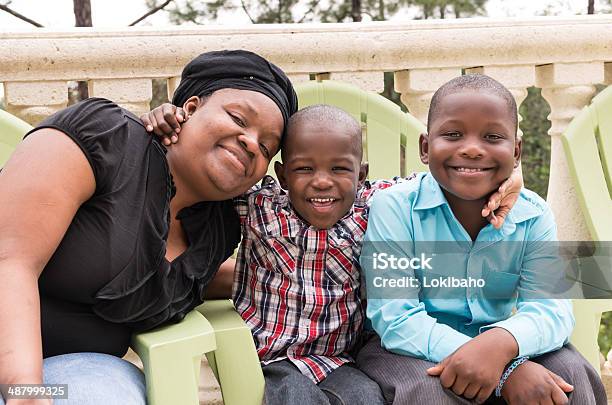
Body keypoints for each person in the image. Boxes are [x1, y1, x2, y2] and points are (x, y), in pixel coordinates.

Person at [142, 100, 524, 404]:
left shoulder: (376, 206)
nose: (321, 181)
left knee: (366, 397)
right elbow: (206, 169)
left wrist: (506, 174)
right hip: (271, 357)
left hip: (342, 357)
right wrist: (168, 122)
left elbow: (444, 177)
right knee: (294, 399)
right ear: (281, 176)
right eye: (304, 169)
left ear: (361, 176)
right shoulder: (259, 206)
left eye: (340, 169)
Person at [0, 49, 297, 405]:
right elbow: (10, 261)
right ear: (189, 108)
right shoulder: (108, 138)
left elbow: (213, 277)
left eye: (266, 146)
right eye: (237, 118)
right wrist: (27, 392)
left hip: (70, 377)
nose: (251, 142)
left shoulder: (218, 229)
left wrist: (305, 278)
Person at [355, 74, 607, 405]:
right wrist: (508, 370)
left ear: (515, 152)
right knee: (432, 392)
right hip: (407, 347)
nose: (472, 148)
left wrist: (502, 346)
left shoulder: (532, 216)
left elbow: (551, 311)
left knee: (569, 375)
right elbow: (396, 318)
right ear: (425, 148)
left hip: (502, 339)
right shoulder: (396, 208)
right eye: (453, 134)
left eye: (491, 136)